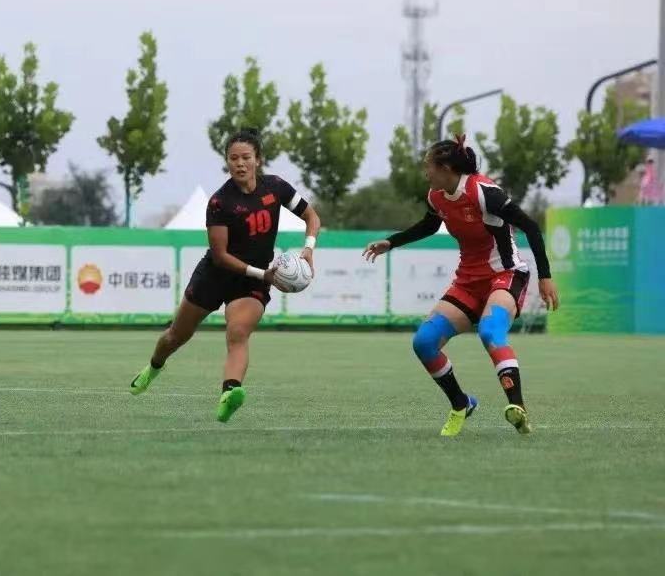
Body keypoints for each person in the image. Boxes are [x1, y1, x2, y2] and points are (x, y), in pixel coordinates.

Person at [363, 135, 560, 437]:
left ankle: (518, 408)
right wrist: (391, 242)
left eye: (428, 166)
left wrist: (545, 277)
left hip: (505, 275)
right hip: (468, 282)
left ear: (445, 168)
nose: (425, 172)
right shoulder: (436, 196)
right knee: (424, 343)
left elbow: (531, 227)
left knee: (490, 331)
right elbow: (429, 225)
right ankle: (461, 403)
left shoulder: (484, 193)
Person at [128, 129, 321, 422]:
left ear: (258, 160)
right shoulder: (220, 202)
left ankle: (230, 392)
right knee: (177, 335)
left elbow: (311, 217)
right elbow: (220, 256)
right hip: (216, 275)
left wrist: (308, 249)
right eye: (233, 158)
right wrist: (264, 274)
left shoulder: (276, 188)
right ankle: (154, 367)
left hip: (253, 281)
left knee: (238, 332)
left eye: (246, 157)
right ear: (227, 162)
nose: (240, 163)